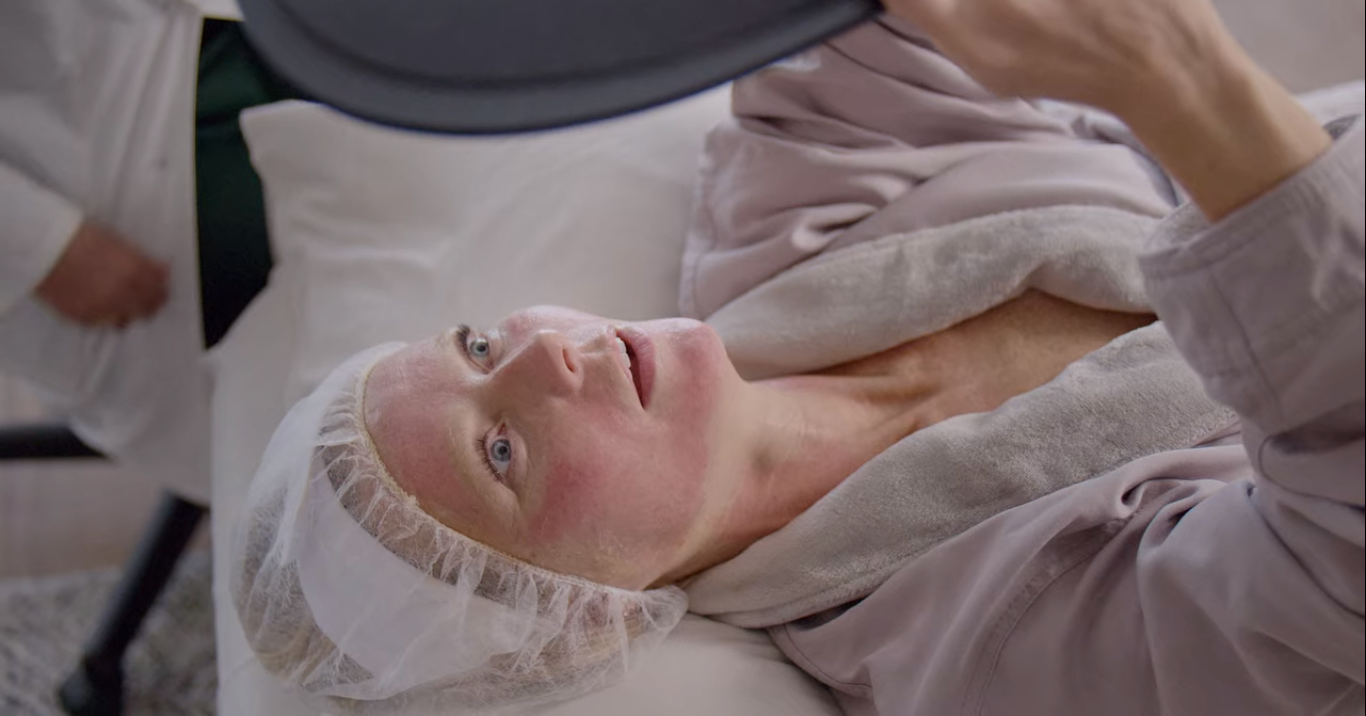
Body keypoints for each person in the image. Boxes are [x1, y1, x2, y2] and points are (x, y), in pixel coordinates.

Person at [231, 0, 1364, 714]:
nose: (541, 359)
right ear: (580, 613)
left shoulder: (792, 208)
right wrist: (1184, 85)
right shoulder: (988, 650)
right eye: (501, 451)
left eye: (478, 343)